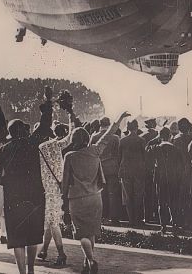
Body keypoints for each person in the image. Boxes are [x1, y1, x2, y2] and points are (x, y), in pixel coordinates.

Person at [62, 111, 129, 274]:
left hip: (77, 199)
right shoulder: (95, 150)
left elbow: (65, 181)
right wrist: (119, 119)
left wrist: (63, 201)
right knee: (91, 231)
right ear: (86, 139)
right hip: (95, 197)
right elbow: (107, 135)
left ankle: (91, 261)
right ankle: (87, 262)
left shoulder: (69, 156)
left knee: (80, 233)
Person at [0, 119, 48, 274]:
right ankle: (31, 270)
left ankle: (22, 272)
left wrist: (9, 183)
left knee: (17, 239)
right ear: (23, 131)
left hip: (12, 199)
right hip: (34, 197)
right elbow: (44, 125)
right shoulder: (33, 145)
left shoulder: (3, 150)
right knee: (33, 236)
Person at [37, 122, 72, 267]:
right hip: (57, 190)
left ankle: (61, 253)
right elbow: (70, 137)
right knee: (51, 222)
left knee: (52, 222)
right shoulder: (56, 145)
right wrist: (70, 116)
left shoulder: (38, 148)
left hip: (45, 191)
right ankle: (44, 250)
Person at [89, 117, 121, 226]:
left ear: (100, 124)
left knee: (101, 193)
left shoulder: (94, 137)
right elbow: (118, 154)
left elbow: (91, 152)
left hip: (99, 167)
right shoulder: (115, 138)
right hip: (112, 167)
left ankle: (102, 216)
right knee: (113, 193)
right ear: (109, 124)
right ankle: (114, 217)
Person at [118, 119, 146, 228]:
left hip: (125, 170)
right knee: (138, 195)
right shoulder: (141, 140)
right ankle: (138, 219)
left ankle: (131, 220)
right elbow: (144, 157)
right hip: (138, 171)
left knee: (128, 196)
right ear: (137, 127)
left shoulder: (122, 141)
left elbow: (119, 158)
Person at [141, 118, 159, 225]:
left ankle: (147, 216)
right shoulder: (158, 135)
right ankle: (157, 215)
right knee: (157, 193)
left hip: (146, 167)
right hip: (157, 166)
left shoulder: (143, 136)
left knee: (147, 193)